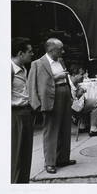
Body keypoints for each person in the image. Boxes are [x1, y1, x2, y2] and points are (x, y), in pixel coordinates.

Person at [28, 38, 76, 174]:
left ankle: (63, 158)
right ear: (51, 50)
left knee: (65, 128)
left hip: (64, 95)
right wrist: (36, 105)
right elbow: (31, 86)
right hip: (50, 99)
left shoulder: (60, 61)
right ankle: (50, 162)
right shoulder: (37, 64)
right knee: (51, 130)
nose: (63, 51)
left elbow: (66, 79)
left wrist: (71, 95)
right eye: (60, 49)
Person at [11, 37, 34, 183]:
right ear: (20, 53)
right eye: (29, 52)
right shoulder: (10, 69)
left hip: (26, 112)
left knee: (26, 154)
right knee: (16, 155)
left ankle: (24, 185)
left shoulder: (24, 69)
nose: (32, 54)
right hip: (15, 114)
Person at [68, 67, 97, 137]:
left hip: (75, 105)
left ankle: (83, 126)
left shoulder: (73, 82)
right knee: (96, 103)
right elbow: (72, 103)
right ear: (74, 75)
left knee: (89, 101)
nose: (83, 77)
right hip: (71, 109)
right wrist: (78, 96)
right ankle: (93, 129)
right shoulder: (68, 84)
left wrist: (81, 91)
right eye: (81, 74)